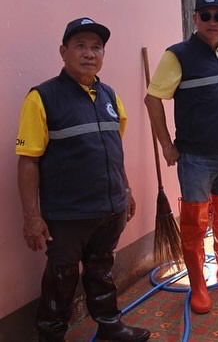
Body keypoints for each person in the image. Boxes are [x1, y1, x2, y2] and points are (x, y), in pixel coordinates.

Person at [16, 18, 150, 341]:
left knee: (102, 270)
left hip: (110, 208)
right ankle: (50, 335)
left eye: (96, 47)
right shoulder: (42, 97)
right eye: (80, 46)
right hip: (68, 214)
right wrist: (32, 217)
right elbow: (28, 160)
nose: (89, 53)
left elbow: (113, 149)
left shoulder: (110, 96)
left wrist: (126, 189)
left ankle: (110, 326)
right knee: (61, 277)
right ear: (63, 52)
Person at [144, 0, 218, 315]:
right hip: (196, 158)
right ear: (195, 18)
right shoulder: (178, 55)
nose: (213, 21)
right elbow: (152, 99)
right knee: (195, 224)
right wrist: (166, 145)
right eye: (206, 15)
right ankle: (197, 285)